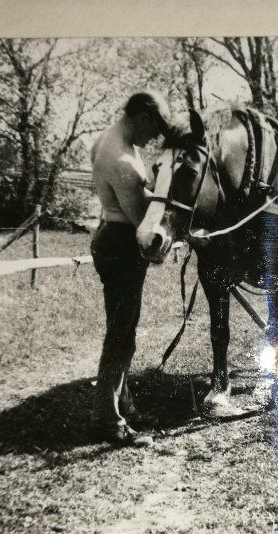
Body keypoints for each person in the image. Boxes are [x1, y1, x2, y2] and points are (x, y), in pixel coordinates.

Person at [89, 90, 172, 444]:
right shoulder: (120, 158)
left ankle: (124, 403)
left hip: (114, 236)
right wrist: (176, 237)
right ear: (143, 117)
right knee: (120, 334)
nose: (153, 139)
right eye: (154, 130)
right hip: (123, 243)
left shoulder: (107, 140)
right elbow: (142, 221)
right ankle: (107, 420)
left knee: (126, 331)